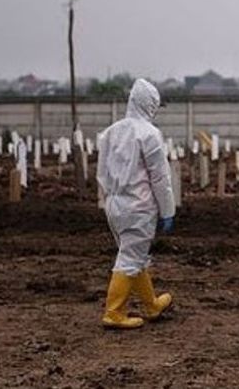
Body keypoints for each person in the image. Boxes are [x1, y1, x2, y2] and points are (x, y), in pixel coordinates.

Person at [96, 78, 176, 329]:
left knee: (134, 255)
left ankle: (151, 304)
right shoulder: (150, 134)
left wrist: (111, 198)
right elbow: (160, 178)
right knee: (130, 258)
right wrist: (168, 210)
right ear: (150, 105)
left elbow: (102, 173)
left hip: (115, 204)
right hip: (139, 207)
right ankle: (114, 312)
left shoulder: (111, 132)